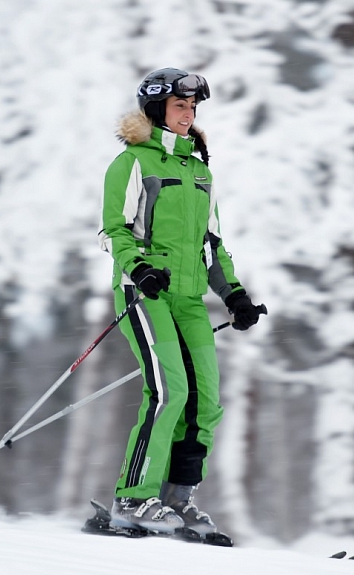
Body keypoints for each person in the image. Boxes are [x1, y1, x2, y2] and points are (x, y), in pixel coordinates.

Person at [97, 68, 263, 536]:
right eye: (179, 106)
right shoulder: (131, 163)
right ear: (155, 110)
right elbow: (114, 231)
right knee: (170, 391)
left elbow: (211, 242)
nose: (188, 115)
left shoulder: (200, 170)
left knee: (206, 401)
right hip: (145, 292)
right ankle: (133, 496)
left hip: (190, 299)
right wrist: (140, 268)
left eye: (192, 108)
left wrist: (233, 293)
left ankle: (177, 497)